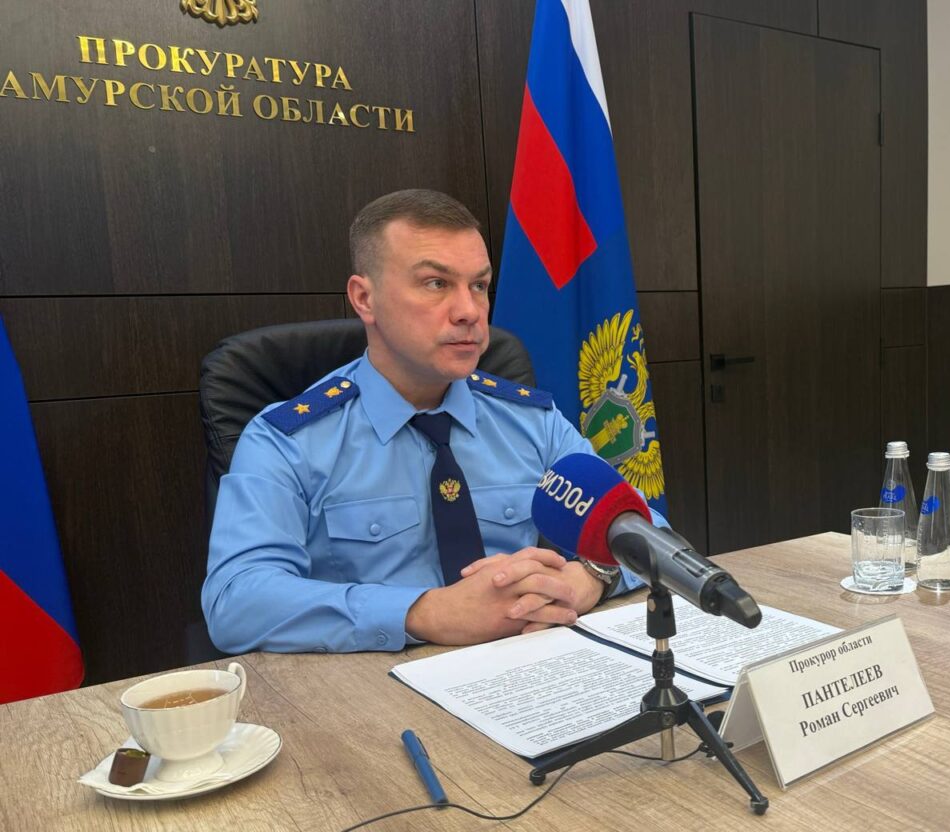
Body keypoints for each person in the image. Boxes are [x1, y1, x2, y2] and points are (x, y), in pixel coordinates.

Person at [202, 189, 663, 654]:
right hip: (372, 678)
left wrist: (589, 577)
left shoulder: (531, 421)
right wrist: (425, 612)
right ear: (364, 298)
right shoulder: (287, 439)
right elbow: (235, 600)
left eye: (479, 285)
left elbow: (648, 531)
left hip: (528, 659)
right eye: (436, 283)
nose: (469, 311)